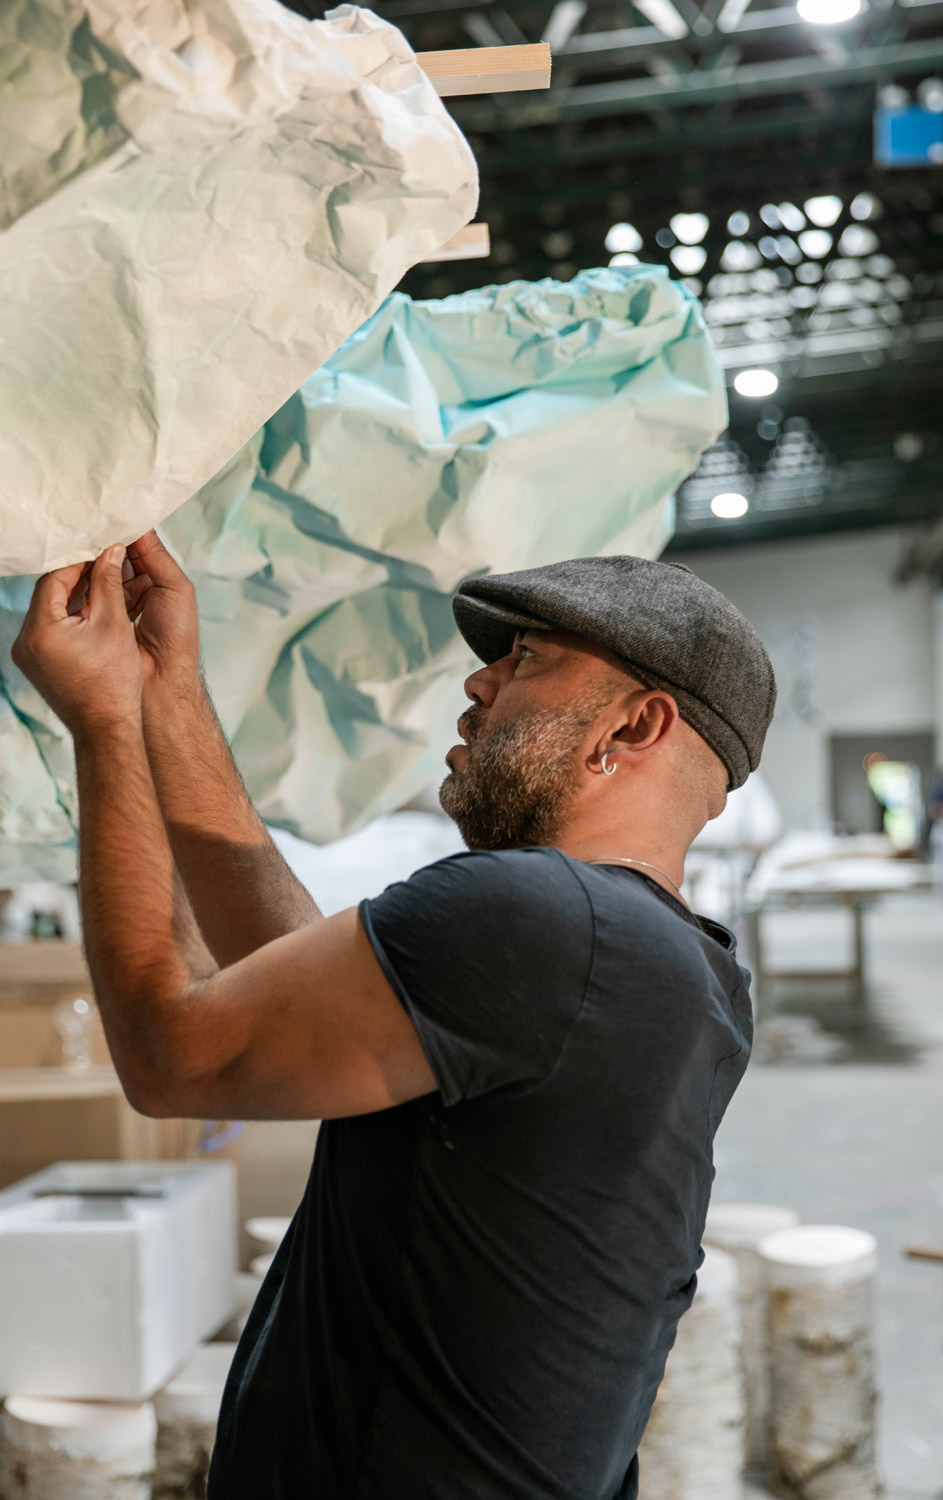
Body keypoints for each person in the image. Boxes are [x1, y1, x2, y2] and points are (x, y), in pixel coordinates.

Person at [12, 535, 776, 1500]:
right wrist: (168, 691)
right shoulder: (676, 971)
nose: (480, 683)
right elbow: (277, 969)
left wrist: (105, 724)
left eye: (527, 659)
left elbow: (173, 1055)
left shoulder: (545, 919)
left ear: (630, 730)